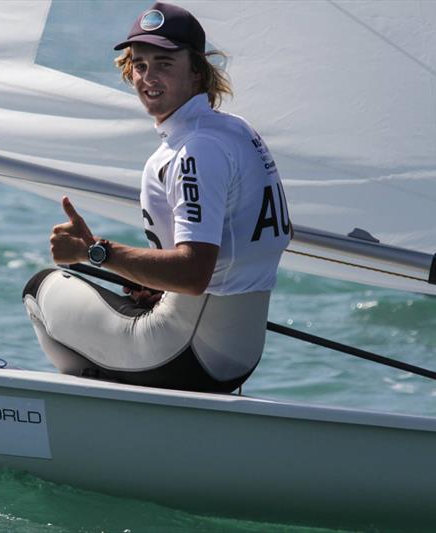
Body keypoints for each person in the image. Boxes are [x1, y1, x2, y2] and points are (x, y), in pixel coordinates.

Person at [22, 2, 291, 393]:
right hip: (237, 357)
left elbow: (195, 272)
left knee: (40, 288)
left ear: (198, 71)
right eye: (140, 64)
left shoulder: (194, 150)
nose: (149, 76)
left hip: (185, 354)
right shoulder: (236, 130)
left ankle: (93, 411)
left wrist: (94, 252)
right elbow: (252, 240)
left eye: (165, 63)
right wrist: (158, 285)